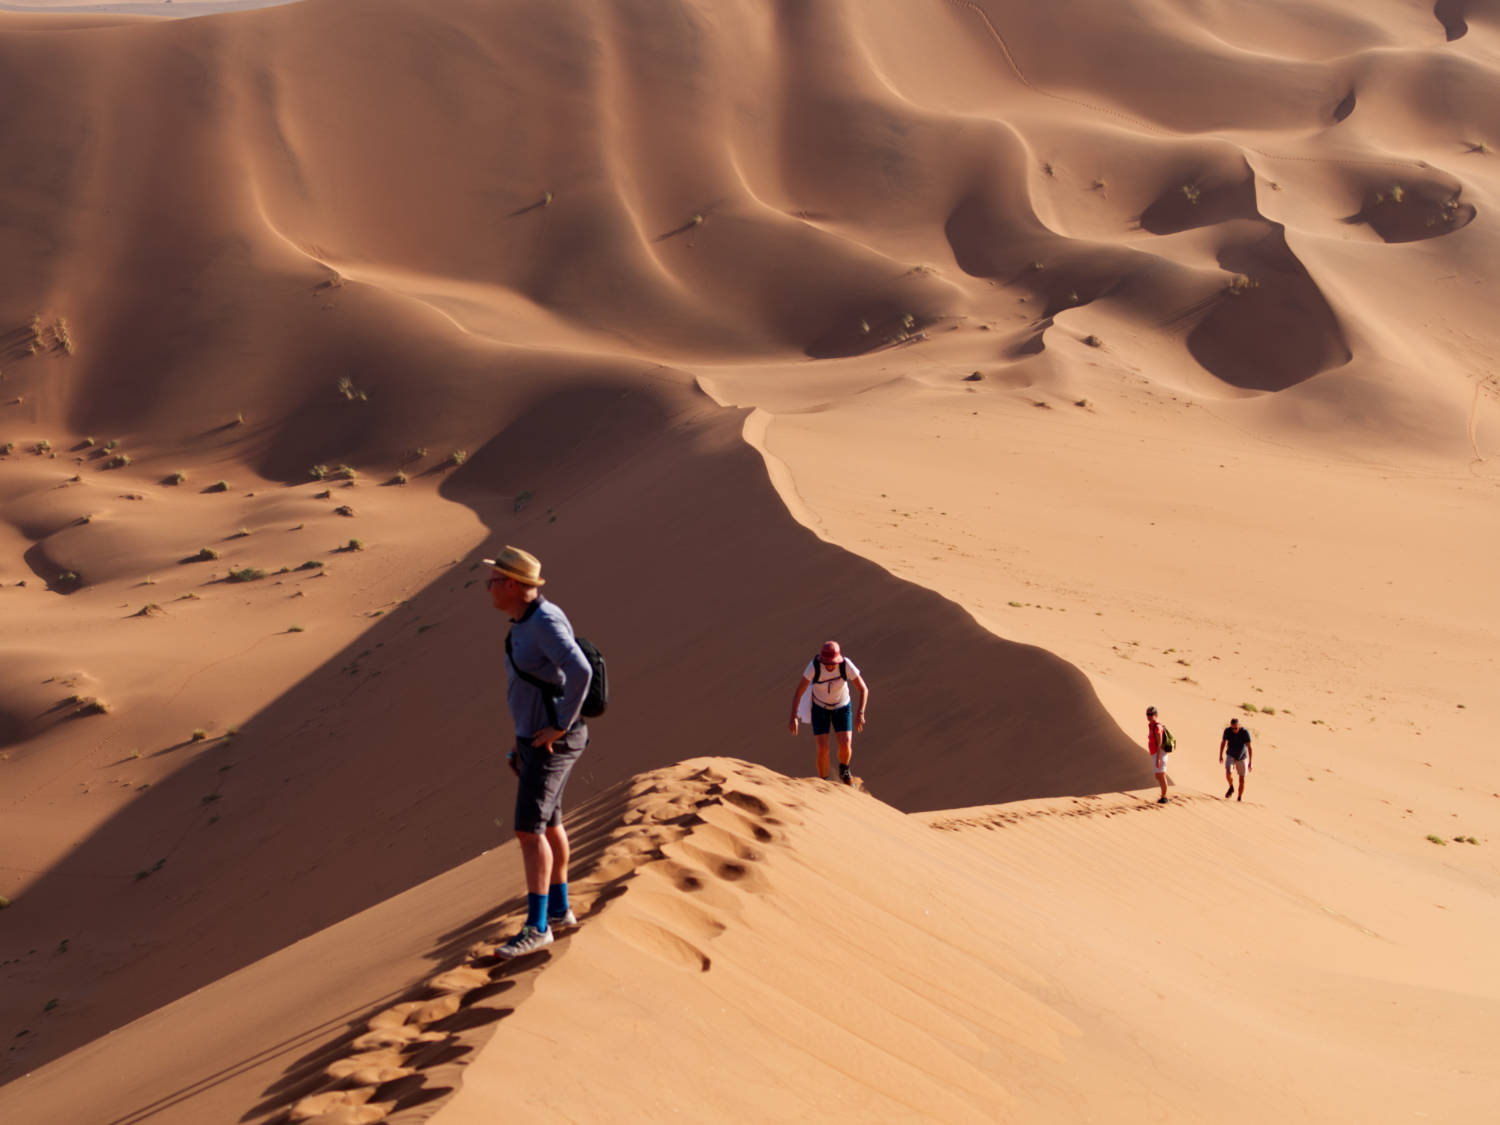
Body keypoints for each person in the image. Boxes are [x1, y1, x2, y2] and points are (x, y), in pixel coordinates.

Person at [486, 545, 592, 958]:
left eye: (493, 582)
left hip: (553, 742)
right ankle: (561, 909)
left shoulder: (544, 621)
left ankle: (537, 927)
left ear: (512, 585)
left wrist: (560, 726)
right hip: (534, 740)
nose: (488, 589)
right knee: (548, 825)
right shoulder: (525, 620)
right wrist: (521, 739)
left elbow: (580, 669)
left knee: (528, 832)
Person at [787, 641, 869, 785]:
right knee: (823, 748)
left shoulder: (846, 665)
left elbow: (863, 689)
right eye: (827, 663)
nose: (830, 666)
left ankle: (844, 770)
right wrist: (793, 716)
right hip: (820, 708)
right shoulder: (814, 666)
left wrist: (860, 713)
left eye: (833, 663)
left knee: (845, 743)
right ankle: (823, 782)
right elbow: (799, 692)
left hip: (842, 707)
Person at [1219, 717, 1253, 801]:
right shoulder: (1227, 731)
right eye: (1233, 728)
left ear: (1239, 726)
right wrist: (1220, 755)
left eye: (1236, 728)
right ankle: (1231, 787)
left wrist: (1250, 762)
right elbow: (1223, 742)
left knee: (1242, 779)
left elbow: (1249, 747)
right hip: (1230, 755)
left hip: (1242, 757)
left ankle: (1239, 798)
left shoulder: (1245, 732)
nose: (1234, 730)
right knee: (1228, 773)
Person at [1146, 705, 1170, 804]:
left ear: (1156, 715)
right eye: (1147, 714)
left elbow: (1159, 743)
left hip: (1160, 754)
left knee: (1161, 775)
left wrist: (1159, 758)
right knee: (1158, 775)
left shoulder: (1157, 727)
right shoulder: (1151, 726)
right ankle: (1163, 795)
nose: (1148, 716)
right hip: (1155, 754)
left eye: (1151, 714)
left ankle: (1164, 797)